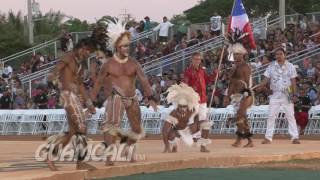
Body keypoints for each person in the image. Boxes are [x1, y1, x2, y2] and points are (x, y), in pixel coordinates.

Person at [90, 20, 157, 165]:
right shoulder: (108, 65)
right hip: (116, 97)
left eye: (128, 45)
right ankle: (109, 157)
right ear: (117, 47)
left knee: (138, 129)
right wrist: (91, 102)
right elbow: (98, 83)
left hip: (132, 98)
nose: (127, 48)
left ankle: (128, 148)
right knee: (111, 126)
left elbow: (144, 80)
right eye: (124, 46)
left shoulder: (133, 62)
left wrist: (151, 96)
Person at [44, 36, 102, 171]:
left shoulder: (81, 64)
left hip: (74, 96)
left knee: (73, 132)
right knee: (82, 127)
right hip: (67, 95)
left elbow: (80, 85)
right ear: (81, 48)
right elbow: (56, 69)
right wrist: (53, 77)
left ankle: (50, 156)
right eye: (88, 50)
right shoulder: (68, 57)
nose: (89, 53)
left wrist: (89, 103)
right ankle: (80, 162)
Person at [257, 47, 301, 144]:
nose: (279, 56)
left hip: (287, 94)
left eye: (281, 54)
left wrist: (294, 94)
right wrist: (260, 85)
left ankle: (295, 137)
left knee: (290, 115)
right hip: (275, 94)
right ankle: (268, 138)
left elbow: (293, 81)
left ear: (284, 55)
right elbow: (266, 79)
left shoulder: (290, 66)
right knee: (271, 115)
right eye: (277, 54)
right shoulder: (271, 66)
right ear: (275, 56)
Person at [162, 83, 211, 153]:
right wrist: (166, 146)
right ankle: (174, 146)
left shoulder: (192, 110)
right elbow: (165, 131)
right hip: (177, 133)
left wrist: (196, 130)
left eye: (184, 106)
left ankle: (203, 146)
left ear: (187, 106)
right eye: (180, 106)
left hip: (189, 130)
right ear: (178, 106)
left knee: (206, 123)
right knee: (171, 134)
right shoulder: (173, 114)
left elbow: (198, 120)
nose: (182, 108)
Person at [183, 52, 215, 152]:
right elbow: (184, 85)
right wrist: (191, 88)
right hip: (193, 99)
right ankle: (193, 136)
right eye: (196, 59)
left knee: (203, 120)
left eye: (199, 59)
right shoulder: (188, 72)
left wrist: (215, 74)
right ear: (191, 60)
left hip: (203, 99)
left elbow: (208, 80)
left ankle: (202, 143)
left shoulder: (202, 71)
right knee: (193, 119)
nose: (197, 61)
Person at [225, 39, 254, 148]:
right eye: (234, 54)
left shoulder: (245, 67)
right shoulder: (234, 67)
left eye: (238, 54)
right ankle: (247, 140)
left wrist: (245, 95)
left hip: (245, 95)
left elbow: (247, 83)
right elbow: (231, 84)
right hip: (236, 96)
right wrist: (227, 96)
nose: (236, 56)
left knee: (239, 117)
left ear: (242, 55)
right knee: (242, 119)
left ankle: (240, 139)